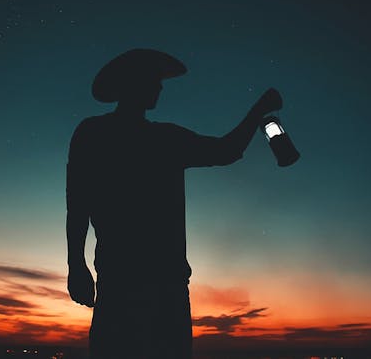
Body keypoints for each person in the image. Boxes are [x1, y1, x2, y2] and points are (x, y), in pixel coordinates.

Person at [65, 49, 282, 359]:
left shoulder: (105, 133)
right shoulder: (153, 139)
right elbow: (226, 150)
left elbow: (77, 203)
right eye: (154, 80)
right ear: (134, 83)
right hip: (146, 286)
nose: (161, 87)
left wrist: (77, 265)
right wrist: (76, 265)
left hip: (138, 282)